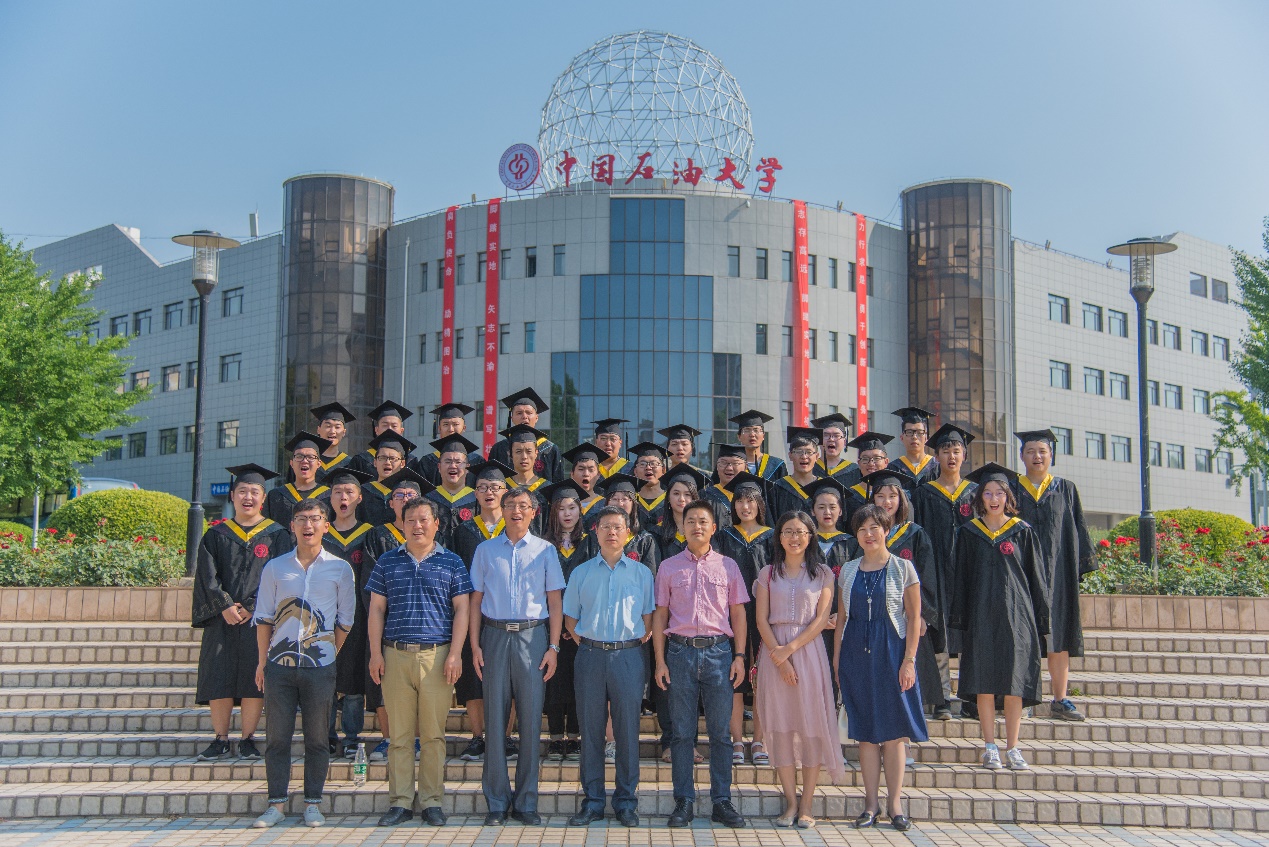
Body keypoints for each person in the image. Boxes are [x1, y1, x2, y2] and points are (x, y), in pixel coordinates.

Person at [367, 498, 473, 827]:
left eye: (423, 519)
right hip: (395, 655)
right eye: (410, 519)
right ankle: (400, 802)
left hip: (437, 656)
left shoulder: (452, 562)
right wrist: (375, 653)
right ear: (402, 524)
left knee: (432, 736)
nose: (417, 526)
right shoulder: (387, 561)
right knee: (399, 737)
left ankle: (431, 801)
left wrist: (455, 653)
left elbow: (462, 609)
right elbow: (376, 609)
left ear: (436, 524)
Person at [251, 499, 355, 829]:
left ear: (326, 525)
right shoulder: (275, 567)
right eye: (301, 519)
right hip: (279, 666)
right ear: (292, 526)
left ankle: (313, 802)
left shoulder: (340, 569)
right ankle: (276, 804)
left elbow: (345, 620)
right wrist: (262, 662)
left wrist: (328, 653)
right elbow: (264, 617)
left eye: (314, 519)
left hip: (319, 668)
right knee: (277, 739)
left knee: (317, 739)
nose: (308, 525)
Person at [469, 488, 565, 826]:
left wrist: (553, 647)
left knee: (530, 720)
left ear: (534, 512)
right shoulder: (485, 550)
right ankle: (497, 802)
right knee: (495, 721)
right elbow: (475, 601)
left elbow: (555, 602)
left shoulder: (545, 550)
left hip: (532, 636)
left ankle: (526, 802)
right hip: (494, 636)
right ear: (502, 509)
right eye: (510, 505)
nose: (516, 511)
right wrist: (475, 645)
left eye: (523, 506)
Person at [652, 500, 750, 829]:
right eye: (690, 520)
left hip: (719, 653)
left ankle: (721, 801)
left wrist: (739, 656)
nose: (696, 526)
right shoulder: (668, 567)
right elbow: (660, 615)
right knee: (681, 733)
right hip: (679, 654)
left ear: (713, 528)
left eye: (703, 521)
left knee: (721, 733)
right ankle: (684, 801)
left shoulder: (728, 566)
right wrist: (660, 661)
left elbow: (738, 613)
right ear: (682, 527)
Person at [950, 463, 1050, 772]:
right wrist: (960, 621)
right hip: (981, 616)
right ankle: (990, 746)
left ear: (1008, 497)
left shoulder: (1022, 532)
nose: (994, 499)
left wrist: (1041, 620)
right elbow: (961, 579)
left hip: (1017, 618)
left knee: (1013, 683)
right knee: (984, 682)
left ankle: (1013, 747)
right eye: (988, 493)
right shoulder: (968, 533)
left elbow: (1036, 579)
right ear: (979, 498)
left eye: (999, 493)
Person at [834, 504, 927, 832]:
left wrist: (909, 661)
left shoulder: (903, 568)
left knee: (894, 734)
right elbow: (841, 618)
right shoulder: (848, 570)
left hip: (892, 652)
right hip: (856, 654)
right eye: (861, 529)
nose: (868, 534)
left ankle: (895, 805)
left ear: (887, 530)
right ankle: (870, 805)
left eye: (874, 527)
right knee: (866, 734)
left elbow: (913, 617)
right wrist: (837, 660)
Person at [192, 464, 295, 762]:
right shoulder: (216, 535)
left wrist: (253, 606)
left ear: (263, 498)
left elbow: (282, 575)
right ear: (232, 496)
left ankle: (248, 738)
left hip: (259, 619)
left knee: (255, 677)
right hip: (221, 618)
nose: (248, 497)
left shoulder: (277, 535)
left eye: (254, 492)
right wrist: (224, 604)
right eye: (242, 491)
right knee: (218, 675)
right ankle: (221, 739)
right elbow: (207, 576)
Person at [563, 506, 655, 828]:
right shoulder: (581, 573)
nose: (612, 532)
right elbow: (571, 619)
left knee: (627, 731)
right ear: (596, 531)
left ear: (628, 533)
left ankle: (626, 802)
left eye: (618, 527)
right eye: (605, 526)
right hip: (590, 655)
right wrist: (592, 643)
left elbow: (648, 620)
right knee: (591, 730)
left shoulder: (641, 574)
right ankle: (592, 802)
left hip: (628, 657)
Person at [754, 511, 843, 828]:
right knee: (781, 728)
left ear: (810, 537)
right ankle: (791, 802)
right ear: (779, 537)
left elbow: (821, 620)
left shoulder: (823, 574)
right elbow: (761, 619)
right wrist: (779, 658)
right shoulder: (767, 573)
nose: (794, 537)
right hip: (773, 652)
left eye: (801, 532)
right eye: (788, 531)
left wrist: (789, 651)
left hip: (808, 652)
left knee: (811, 726)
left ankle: (807, 805)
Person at [1011, 429, 1096, 722]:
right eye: (1030, 451)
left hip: (1058, 575)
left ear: (1051, 456)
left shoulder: (1066, 489)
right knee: (1023, 636)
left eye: (1042, 451)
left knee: (1058, 636)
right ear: (1021, 456)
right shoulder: (1011, 489)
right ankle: (1023, 697)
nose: (1037, 456)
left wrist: (1078, 570)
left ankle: (1060, 699)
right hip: (1021, 575)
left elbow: (1078, 529)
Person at [363, 468, 437, 761]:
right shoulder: (377, 535)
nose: (405, 498)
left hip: (421, 625)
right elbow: (369, 586)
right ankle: (388, 738)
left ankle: (416, 740)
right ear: (391, 502)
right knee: (383, 681)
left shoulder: (431, 540)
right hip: (386, 623)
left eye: (411, 494)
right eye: (399, 495)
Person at [860, 469, 944, 718]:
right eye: (880, 496)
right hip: (875, 616)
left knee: (909, 670)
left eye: (892, 496)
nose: (886, 502)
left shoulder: (915, 533)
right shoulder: (867, 534)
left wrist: (923, 615)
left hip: (908, 616)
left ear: (901, 499)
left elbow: (927, 577)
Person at [450, 458, 514, 764]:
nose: (489, 492)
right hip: (471, 612)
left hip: (507, 613)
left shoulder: (515, 528)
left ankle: (505, 737)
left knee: (509, 679)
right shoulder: (463, 530)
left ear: (505, 492)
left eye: (495, 487)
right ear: (474, 494)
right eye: (483, 487)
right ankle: (477, 737)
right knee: (473, 678)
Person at [910, 422, 977, 715]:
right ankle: (942, 698)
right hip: (935, 572)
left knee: (969, 633)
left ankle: (972, 696)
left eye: (956, 450)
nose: (951, 456)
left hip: (967, 574)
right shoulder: (924, 494)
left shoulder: (975, 493)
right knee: (939, 635)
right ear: (936, 456)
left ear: (964, 455)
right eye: (946, 450)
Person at [715, 472, 774, 767]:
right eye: (739, 501)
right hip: (732, 614)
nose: (745, 506)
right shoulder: (724, 536)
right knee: (734, 679)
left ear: (760, 504)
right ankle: (737, 740)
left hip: (766, 615)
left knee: (762, 679)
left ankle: (759, 740)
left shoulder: (773, 536)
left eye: (750, 501)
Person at [539, 480, 597, 761]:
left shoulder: (590, 543)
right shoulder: (543, 545)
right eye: (561, 508)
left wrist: (574, 623)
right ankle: (554, 737)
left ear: (580, 511)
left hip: (581, 627)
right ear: (553, 512)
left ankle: (573, 736)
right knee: (552, 682)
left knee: (577, 681)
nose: (567, 514)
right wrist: (558, 624)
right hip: (549, 626)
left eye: (572, 508)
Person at [320, 467, 375, 756]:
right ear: (330, 498)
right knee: (324, 675)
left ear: (359, 498)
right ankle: (326, 736)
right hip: (323, 618)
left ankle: (352, 737)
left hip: (358, 618)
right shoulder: (320, 533)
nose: (343, 497)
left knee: (353, 679)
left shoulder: (369, 535)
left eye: (349, 492)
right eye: (338, 492)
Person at [487, 387, 565, 482]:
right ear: (512, 418)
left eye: (529, 413)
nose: (524, 417)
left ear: (536, 418)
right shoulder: (499, 448)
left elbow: (558, 482)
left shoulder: (550, 449)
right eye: (519, 413)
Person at [263, 432, 333, 526]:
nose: (304, 461)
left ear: (319, 464)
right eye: (299, 456)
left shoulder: (329, 496)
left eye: (310, 457)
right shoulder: (276, 496)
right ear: (291, 463)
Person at [594, 473, 661, 570]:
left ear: (633, 503)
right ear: (607, 503)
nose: (620, 504)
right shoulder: (594, 538)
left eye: (625, 499)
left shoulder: (645, 540)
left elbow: (650, 575)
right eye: (614, 499)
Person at [424, 434, 479, 547]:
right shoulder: (427, 500)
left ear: (467, 468)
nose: (453, 466)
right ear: (439, 467)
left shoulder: (477, 499)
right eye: (448, 461)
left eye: (458, 462)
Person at [412, 403, 482, 486]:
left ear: (464, 428)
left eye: (455, 424)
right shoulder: (427, 462)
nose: (450, 429)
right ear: (439, 428)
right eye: (446, 424)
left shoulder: (477, 461)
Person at [359, 432, 415, 526]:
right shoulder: (363, 492)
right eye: (382, 458)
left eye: (393, 458)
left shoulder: (408, 494)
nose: (387, 462)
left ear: (402, 463)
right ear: (375, 462)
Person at [841, 432, 895, 529]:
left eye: (877, 458)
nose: (871, 463)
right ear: (859, 463)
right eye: (865, 459)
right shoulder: (849, 497)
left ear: (886, 462)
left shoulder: (897, 496)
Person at [657, 464, 709, 562]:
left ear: (694, 498)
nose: (681, 499)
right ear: (668, 497)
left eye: (687, 494)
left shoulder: (704, 532)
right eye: (676, 493)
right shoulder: (656, 533)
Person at [770, 427, 824, 519]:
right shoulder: (777, 488)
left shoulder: (824, 488)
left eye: (809, 452)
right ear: (790, 455)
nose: (804, 456)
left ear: (817, 456)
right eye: (799, 451)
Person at [347, 400, 413, 476]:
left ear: (401, 431)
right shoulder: (361, 460)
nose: (389, 429)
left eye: (394, 426)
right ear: (376, 430)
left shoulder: (410, 460)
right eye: (385, 425)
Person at [730, 410, 786, 481]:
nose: (752, 434)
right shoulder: (730, 465)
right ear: (739, 436)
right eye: (747, 430)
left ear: (763, 436)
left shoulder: (776, 465)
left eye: (756, 430)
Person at [890, 407, 940, 485]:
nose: (914, 437)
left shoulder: (937, 467)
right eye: (909, 432)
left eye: (919, 432)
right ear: (902, 437)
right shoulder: (893, 468)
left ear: (927, 438)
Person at [310, 402, 357, 484]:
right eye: (328, 426)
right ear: (318, 430)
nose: (332, 431)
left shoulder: (350, 464)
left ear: (344, 432)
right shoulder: (307, 461)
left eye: (337, 427)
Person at [702, 444, 747, 526]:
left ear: (745, 467)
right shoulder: (705, 496)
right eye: (723, 462)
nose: (729, 468)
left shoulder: (753, 498)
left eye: (735, 463)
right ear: (717, 466)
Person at [811, 412, 861, 485]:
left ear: (844, 441)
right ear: (819, 440)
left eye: (836, 436)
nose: (831, 439)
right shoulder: (810, 468)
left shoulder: (855, 470)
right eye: (826, 435)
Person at [562, 442, 607, 521]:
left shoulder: (605, 505)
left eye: (591, 470)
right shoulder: (562, 504)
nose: (586, 474)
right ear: (572, 474)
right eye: (581, 469)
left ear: (598, 475)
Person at [503, 424, 550, 500]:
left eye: (529, 451)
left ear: (536, 453)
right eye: (518, 451)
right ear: (510, 454)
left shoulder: (547, 488)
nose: (524, 457)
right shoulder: (502, 487)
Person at [629, 441, 669, 529]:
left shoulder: (671, 501)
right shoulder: (629, 501)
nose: (648, 467)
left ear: (663, 470)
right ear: (635, 471)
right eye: (642, 464)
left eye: (654, 463)